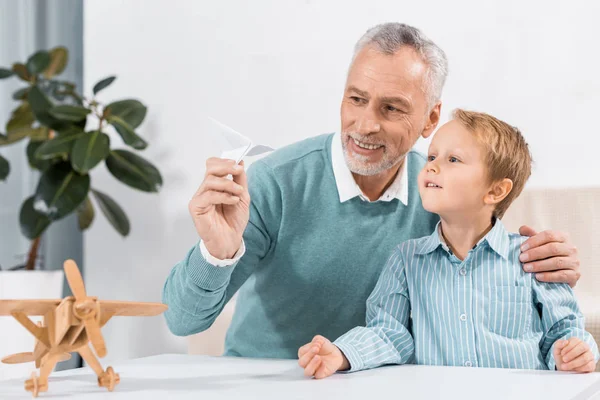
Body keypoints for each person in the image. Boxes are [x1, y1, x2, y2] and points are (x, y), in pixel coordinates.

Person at [162, 23, 581, 359]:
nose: (364, 125)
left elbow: (493, 273)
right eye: (356, 99)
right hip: (272, 382)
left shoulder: (441, 191)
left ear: (430, 118)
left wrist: (548, 267)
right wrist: (214, 253)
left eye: (391, 108)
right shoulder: (274, 182)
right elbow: (182, 322)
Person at [298, 110, 599, 377]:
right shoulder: (406, 259)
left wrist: (577, 351)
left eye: (452, 159)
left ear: (496, 190)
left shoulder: (531, 257)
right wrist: (343, 354)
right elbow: (388, 333)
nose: (431, 166)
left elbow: (563, 330)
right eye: (431, 157)